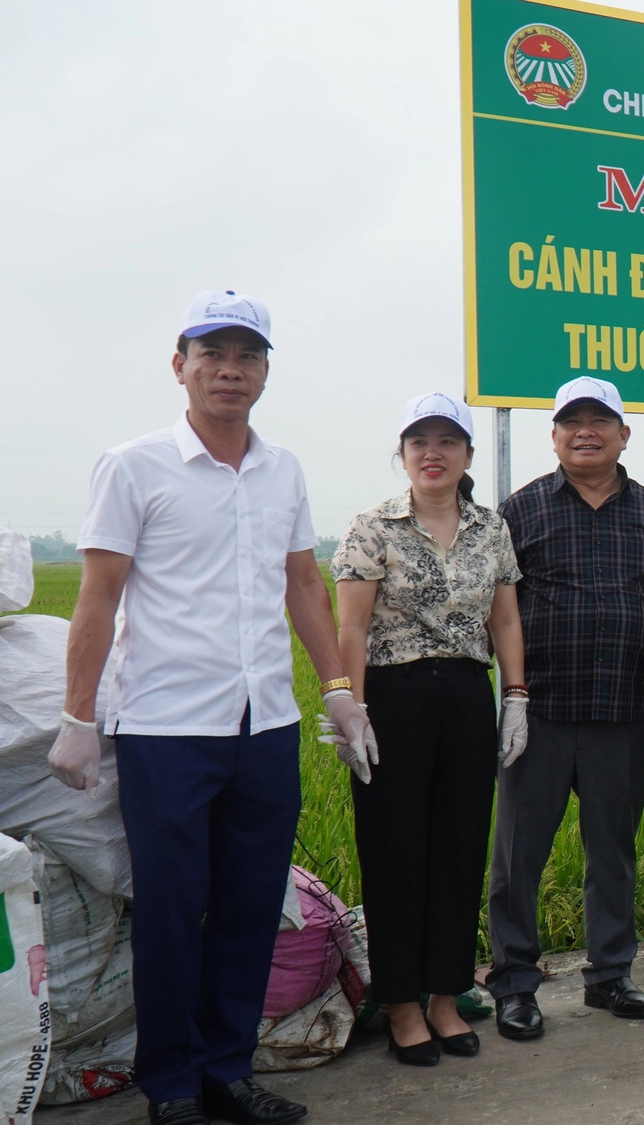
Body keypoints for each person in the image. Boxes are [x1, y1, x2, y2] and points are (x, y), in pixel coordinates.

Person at [54, 291, 362, 1125]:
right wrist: (78, 717)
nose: (230, 371)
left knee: (250, 902)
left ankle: (228, 1068)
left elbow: (304, 582)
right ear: (180, 364)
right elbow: (98, 597)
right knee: (170, 906)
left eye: (247, 356)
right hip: (164, 727)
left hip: (263, 724)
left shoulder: (282, 468)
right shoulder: (135, 464)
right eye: (212, 354)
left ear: (265, 369)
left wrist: (337, 691)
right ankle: (173, 1082)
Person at [331, 392, 526, 1065]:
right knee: (395, 852)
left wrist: (517, 696)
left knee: (459, 849)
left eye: (447, 441)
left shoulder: (490, 529)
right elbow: (352, 625)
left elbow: (504, 619)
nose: (433, 453)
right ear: (403, 454)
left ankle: (446, 996)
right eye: (420, 441)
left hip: (467, 696)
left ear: (468, 454)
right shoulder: (372, 527)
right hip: (394, 697)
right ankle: (404, 1004)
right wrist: (349, 705)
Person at [486, 376, 644, 1040]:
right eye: (572, 421)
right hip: (539, 711)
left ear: (625, 435)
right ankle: (513, 981)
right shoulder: (521, 509)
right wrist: (511, 697)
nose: (586, 431)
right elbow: (498, 610)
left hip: (620, 711)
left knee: (613, 849)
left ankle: (610, 973)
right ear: (555, 436)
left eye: (601, 421)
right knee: (518, 854)